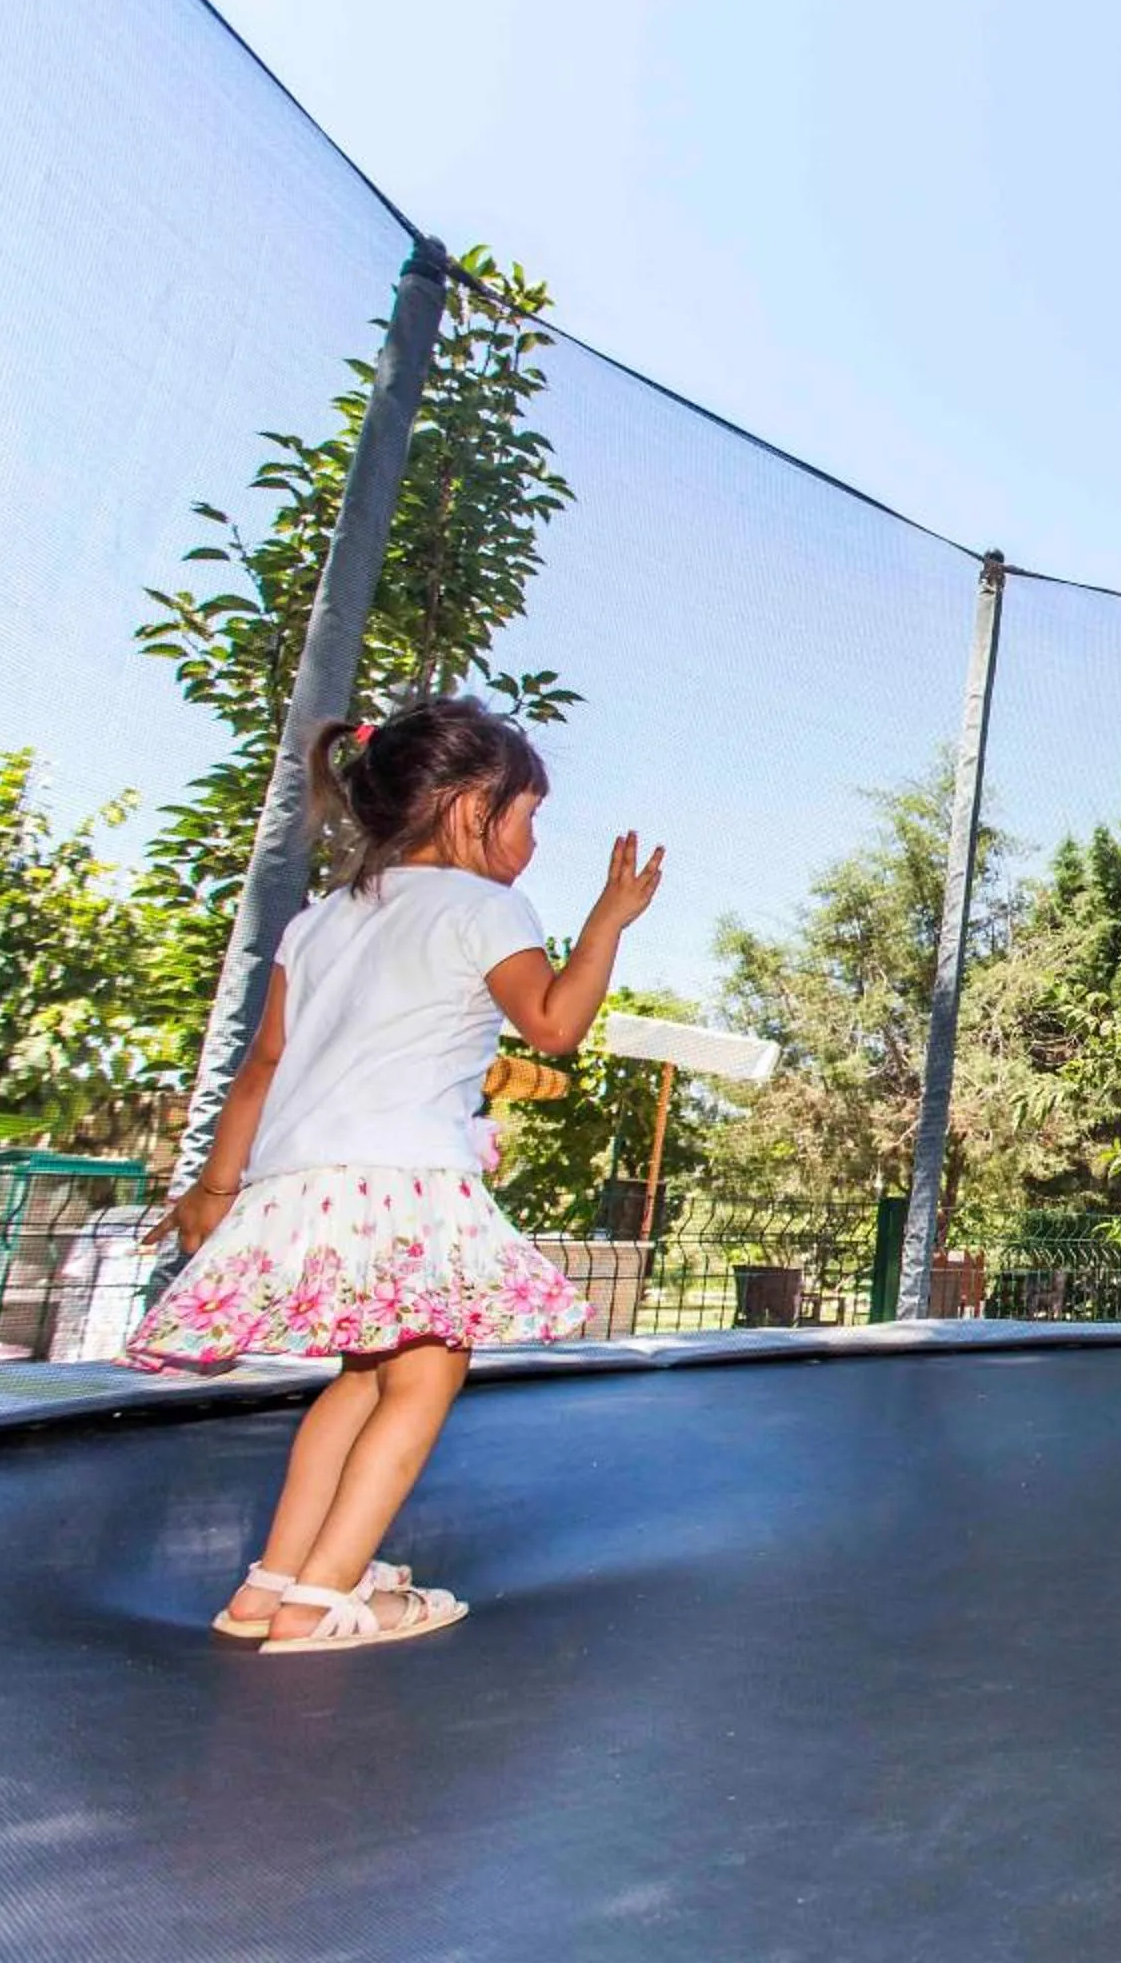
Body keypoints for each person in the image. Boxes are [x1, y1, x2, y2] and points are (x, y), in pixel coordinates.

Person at [127, 699, 662, 1653]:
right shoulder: (486, 907)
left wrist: (212, 1191)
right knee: (425, 1378)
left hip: (302, 1184)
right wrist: (607, 923)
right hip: (406, 1178)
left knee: (361, 1378)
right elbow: (553, 1024)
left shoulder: (319, 919)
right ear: (469, 809)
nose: (532, 842)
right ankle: (322, 1599)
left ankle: (270, 1584)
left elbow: (262, 1065)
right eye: (528, 817)